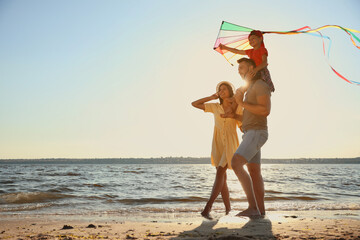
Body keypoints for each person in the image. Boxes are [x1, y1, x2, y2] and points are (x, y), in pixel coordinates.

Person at [192, 81, 243, 219]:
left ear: (230, 91)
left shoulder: (236, 106)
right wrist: (211, 97)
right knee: (222, 177)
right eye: (220, 89)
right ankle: (228, 209)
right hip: (218, 143)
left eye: (224, 89)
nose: (222, 91)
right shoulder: (215, 106)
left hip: (230, 143)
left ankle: (208, 207)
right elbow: (194, 104)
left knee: (221, 171)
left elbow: (242, 123)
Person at [231, 57, 271, 217]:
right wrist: (233, 115)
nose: (238, 70)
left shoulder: (260, 85)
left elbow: (265, 110)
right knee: (254, 171)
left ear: (252, 68)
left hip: (256, 132)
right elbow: (250, 115)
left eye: (241, 67)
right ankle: (260, 211)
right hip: (250, 132)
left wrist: (241, 103)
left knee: (236, 163)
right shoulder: (250, 88)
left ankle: (252, 207)